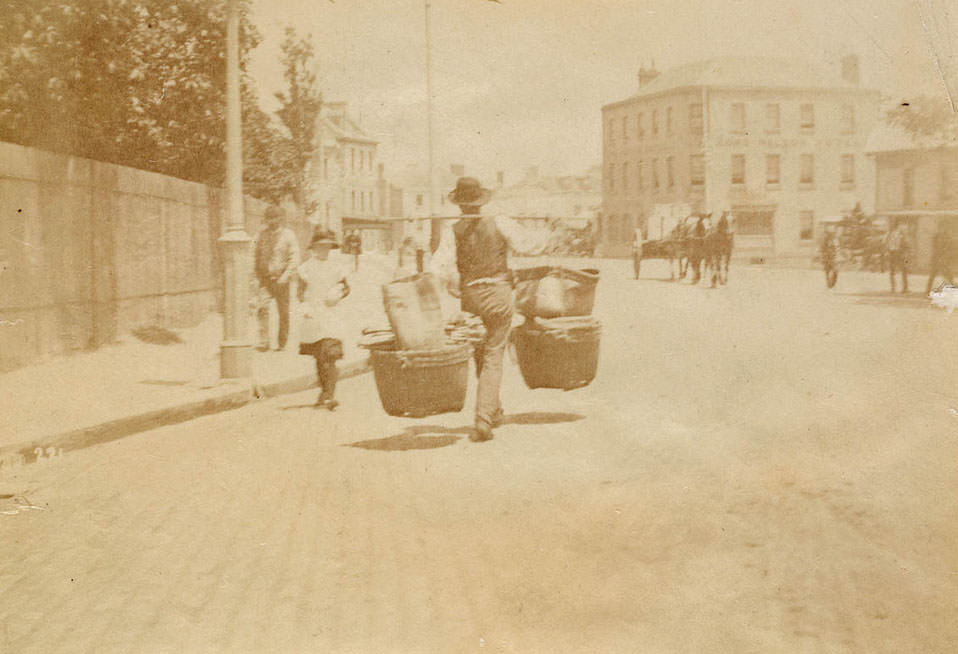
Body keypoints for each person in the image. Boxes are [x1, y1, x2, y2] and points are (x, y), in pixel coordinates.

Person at [431, 177, 554, 443]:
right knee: (493, 355)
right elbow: (529, 245)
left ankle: (493, 409)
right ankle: (484, 418)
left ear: (460, 204)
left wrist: (449, 284)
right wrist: (548, 230)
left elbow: (437, 267)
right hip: (498, 294)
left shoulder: (452, 231)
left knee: (480, 350)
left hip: (471, 298)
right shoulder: (500, 222)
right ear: (481, 201)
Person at [297, 230, 350, 410]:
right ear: (313, 248)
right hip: (314, 315)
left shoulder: (337, 266)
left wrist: (338, 292)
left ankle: (329, 395)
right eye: (320, 246)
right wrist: (304, 307)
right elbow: (300, 292)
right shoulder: (305, 268)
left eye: (327, 246)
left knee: (331, 355)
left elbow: (346, 287)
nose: (323, 250)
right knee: (320, 358)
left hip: (332, 314)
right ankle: (324, 392)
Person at [253, 205, 300, 351]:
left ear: (281, 219)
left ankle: (282, 343)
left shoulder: (288, 235)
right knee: (262, 308)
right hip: (265, 279)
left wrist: (286, 276)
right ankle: (264, 342)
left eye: (275, 218)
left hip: (282, 279)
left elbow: (295, 257)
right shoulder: (261, 235)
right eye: (269, 218)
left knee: (283, 313)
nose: (272, 221)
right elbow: (255, 254)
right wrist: (256, 276)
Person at [926, 222, 957, 294]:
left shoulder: (939, 236)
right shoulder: (941, 237)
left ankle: (927, 291)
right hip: (939, 259)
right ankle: (927, 290)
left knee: (947, 275)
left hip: (940, 259)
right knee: (935, 275)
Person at [885, 221, 912, 293]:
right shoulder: (901, 234)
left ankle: (893, 287)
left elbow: (886, 244)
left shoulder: (889, 234)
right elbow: (905, 244)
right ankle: (905, 288)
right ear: (898, 226)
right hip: (900, 253)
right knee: (904, 270)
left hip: (892, 253)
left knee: (892, 271)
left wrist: (888, 251)